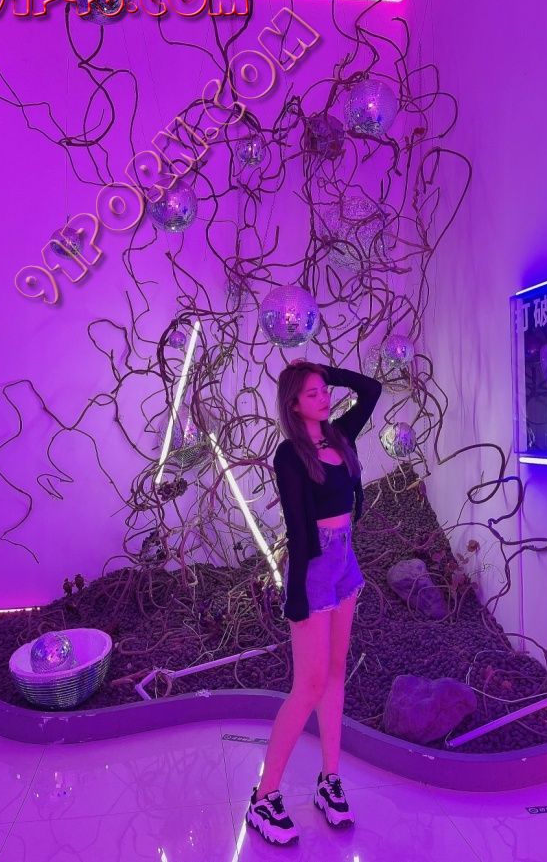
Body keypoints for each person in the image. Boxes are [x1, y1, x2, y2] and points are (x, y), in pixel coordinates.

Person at [245, 359, 382, 846]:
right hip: (315, 565)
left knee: (335, 673)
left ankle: (329, 780)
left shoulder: (340, 435)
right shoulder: (290, 455)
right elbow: (298, 528)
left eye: (324, 390)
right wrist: (297, 593)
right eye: (311, 393)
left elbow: (371, 389)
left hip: (346, 559)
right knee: (307, 685)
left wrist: (321, 371)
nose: (324, 398)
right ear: (293, 404)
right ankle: (264, 796)